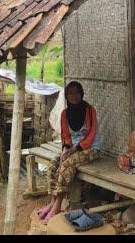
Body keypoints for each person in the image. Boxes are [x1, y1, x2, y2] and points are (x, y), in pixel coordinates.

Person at [37, 81, 100, 224]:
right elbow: (66, 136)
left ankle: (58, 204)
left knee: (66, 165)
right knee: (54, 163)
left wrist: (74, 150)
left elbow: (91, 135)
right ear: (66, 95)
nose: (74, 96)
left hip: (90, 149)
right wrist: (66, 149)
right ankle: (52, 201)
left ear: (81, 94)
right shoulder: (65, 114)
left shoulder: (90, 110)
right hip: (73, 148)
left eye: (77, 92)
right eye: (70, 93)